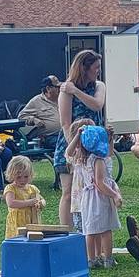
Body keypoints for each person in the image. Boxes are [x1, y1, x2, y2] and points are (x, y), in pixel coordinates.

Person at [55, 50, 106, 226]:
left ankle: (91, 230)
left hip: (94, 144)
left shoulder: (98, 86)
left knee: (93, 188)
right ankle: (67, 232)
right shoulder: (65, 91)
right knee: (68, 191)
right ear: (84, 68)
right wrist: (75, 148)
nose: (98, 71)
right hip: (72, 142)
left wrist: (76, 91)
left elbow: (97, 104)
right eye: (96, 67)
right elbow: (65, 122)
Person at [75, 125, 122, 268]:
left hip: (87, 198)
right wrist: (115, 195)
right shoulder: (98, 161)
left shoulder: (83, 158)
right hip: (99, 199)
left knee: (90, 230)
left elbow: (109, 153)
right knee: (105, 229)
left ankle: (92, 259)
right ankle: (108, 259)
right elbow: (100, 183)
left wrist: (110, 138)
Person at [3, 155, 45, 239]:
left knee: (31, 238)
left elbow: (42, 199)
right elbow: (11, 203)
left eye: (26, 177)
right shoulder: (11, 188)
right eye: (18, 177)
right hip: (17, 221)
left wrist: (41, 203)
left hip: (31, 219)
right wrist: (29, 202)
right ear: (12, 175)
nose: (22, 180)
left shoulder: (32, 189)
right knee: (17, 239)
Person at [65, 118, 93, 234]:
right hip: (79, 201)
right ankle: (84, 249)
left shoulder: (96, 154)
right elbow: (68, 153)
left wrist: (110, 138)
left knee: (95, 227)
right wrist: (78, 135)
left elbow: (109, 154)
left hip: (93, 199)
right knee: (81, 229)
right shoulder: (77, 156)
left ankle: (97, 249)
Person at [18, 75, 62, 145]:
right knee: (65, 144)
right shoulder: (36, 101)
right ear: (48, 88)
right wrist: (34, 120)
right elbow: (21, 116)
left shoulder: (62, 99)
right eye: (57, 87)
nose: (60, 89)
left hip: (66, 134)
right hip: (49, 137)